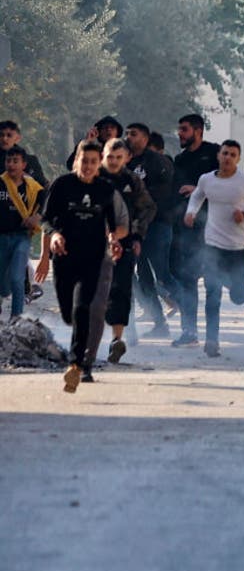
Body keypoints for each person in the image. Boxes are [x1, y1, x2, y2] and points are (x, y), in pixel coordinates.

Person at [39, 140, 128, 393]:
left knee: (83, 309)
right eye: (84, 161)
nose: (88, 166)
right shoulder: (62, 185)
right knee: (68, 313)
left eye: (93, 162)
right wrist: (54, 235)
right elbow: (46, 219)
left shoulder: (105, 189)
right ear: (77, 160)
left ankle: (76, 365)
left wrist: (113, 241)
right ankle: (78, 360)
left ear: (98, 162)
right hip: (65, 257)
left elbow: (111, 224)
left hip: (93, 258)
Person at [184, 139, 244, 358]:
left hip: (239, 246)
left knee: (237, 294)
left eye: (233, 154)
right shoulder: (206, 180)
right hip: (213, 245)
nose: (228, 158)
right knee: (212, 294)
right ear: (218, 156)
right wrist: (191, 212)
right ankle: (212, 340)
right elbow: (197, 196)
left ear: (238, 159)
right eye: (225, 153)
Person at [92, 138, 156, 365]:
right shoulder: (92, 176)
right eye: (110, 156)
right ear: (103, 155)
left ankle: (116, 340)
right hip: (92, 244)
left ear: (127, 157)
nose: (114, 161)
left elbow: (147, 207)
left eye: (119, 157)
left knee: (121, 290)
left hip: (124, 243)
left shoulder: (132, 180)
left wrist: (137, 234)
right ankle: (87, 339)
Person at [169, 114, 221, 348]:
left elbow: (229, 183)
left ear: (198, 131)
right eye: (180, 129)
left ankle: (213, 335)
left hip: (214, 227)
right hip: (186, 229)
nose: (180, 133)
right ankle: (189, 331)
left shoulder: (215, 154)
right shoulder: (179, 160)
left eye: (184, 129)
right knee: (187, 279)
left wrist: (200, 190)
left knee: (214, 282)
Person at [127, 122, 177, 337]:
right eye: (127, 133)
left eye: (134, 134)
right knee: (143, 277)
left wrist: (138, 197)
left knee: (163, 276)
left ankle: (189, 316)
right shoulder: (125, 160)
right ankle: (160, 324)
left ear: (145, 138)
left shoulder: (158, 161)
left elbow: (164, 192)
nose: (129, 137)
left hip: (157, 225)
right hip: (134, 228)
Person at [0, 146, 43, 320]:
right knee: (3, 286)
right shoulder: (0, 183)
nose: (11, 164)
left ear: (24, 164)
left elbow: (46, 203)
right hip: (1, 237)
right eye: (8, 161)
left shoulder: (32, 187)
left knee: (18, 278)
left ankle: (16, 318)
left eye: (15, 161)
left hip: (21, 238)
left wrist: (36, 217)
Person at [0, 121, 47, 186]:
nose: (4, 139)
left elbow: (41, 184)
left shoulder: (30, 161)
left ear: (17, 138)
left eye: (9, 135)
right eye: (1, 135)